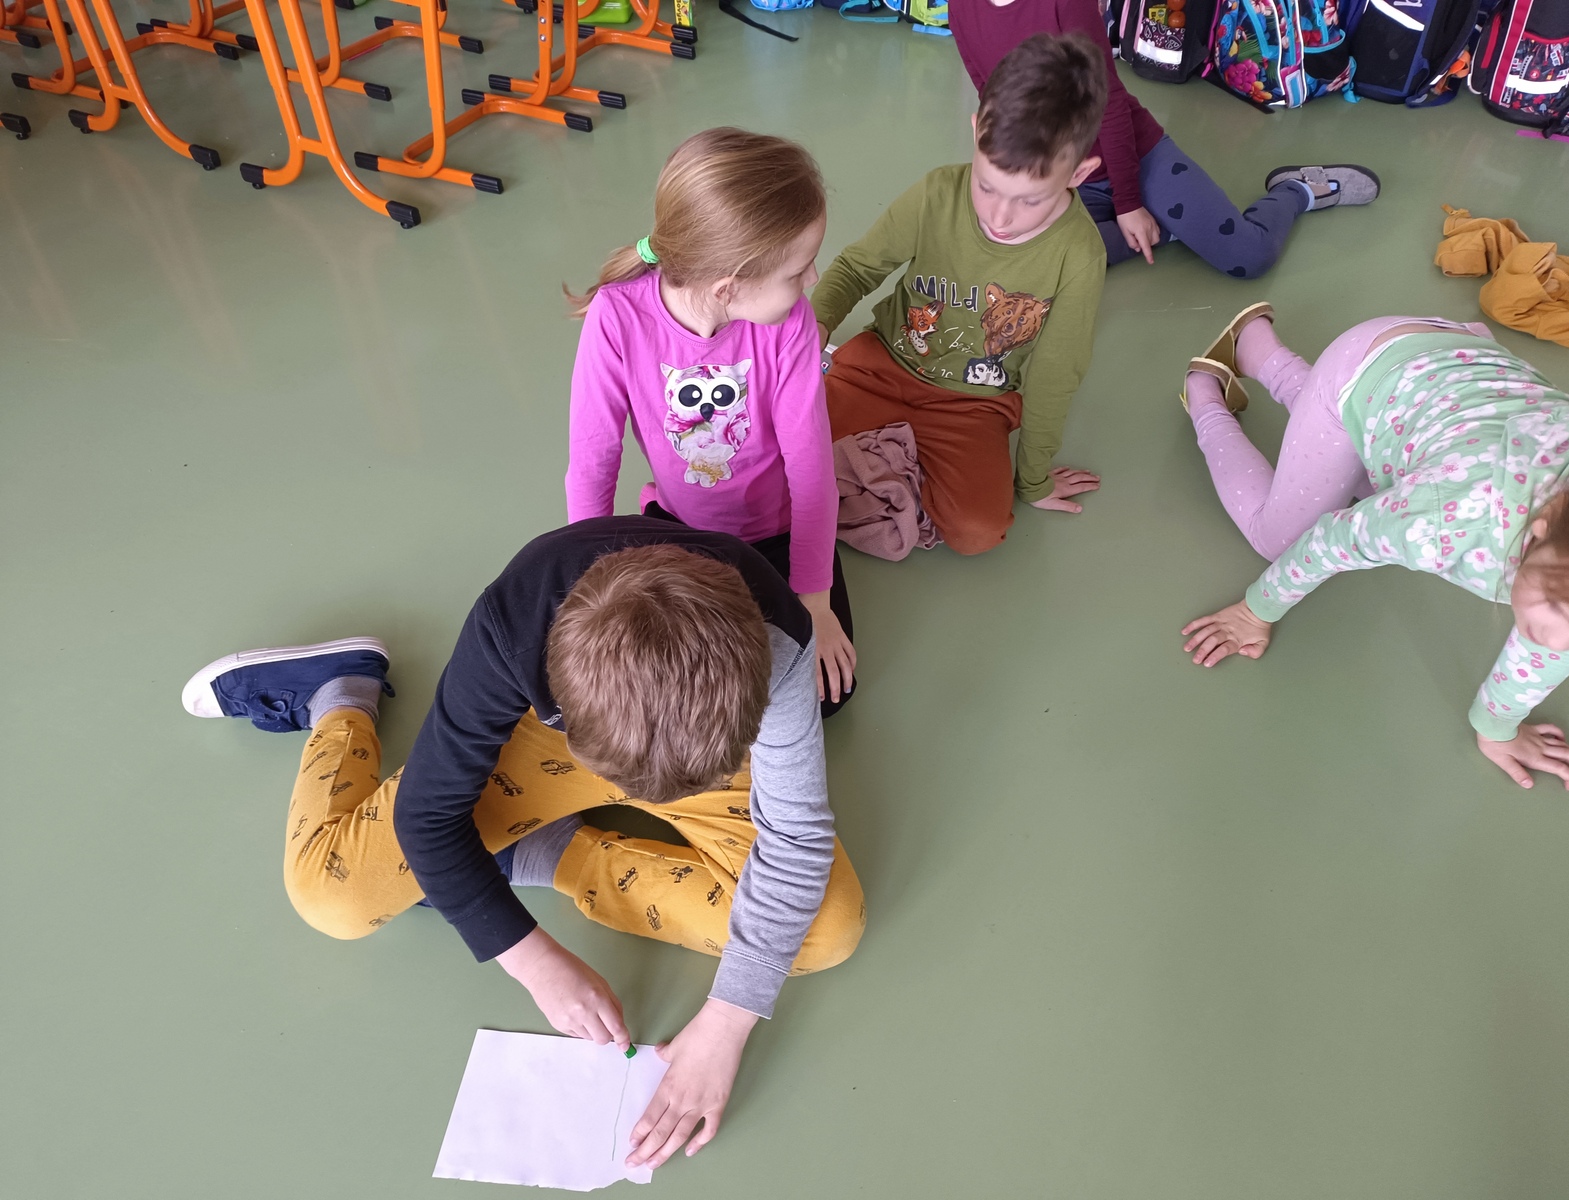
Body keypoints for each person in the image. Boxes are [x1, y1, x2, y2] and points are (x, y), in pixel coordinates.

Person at [180, 518, 866, 1167]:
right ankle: (337, 695)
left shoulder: (776, 643)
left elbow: (795, 835)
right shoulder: (512, 626)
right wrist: (531, 959)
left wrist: (726, 1023)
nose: (649, 805)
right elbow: (428, 816)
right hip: (559, 739)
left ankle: (535, 851)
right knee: (332, 897)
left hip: (694, 736)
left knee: (826, 931)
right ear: (559, 697)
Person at [1178, 306, 1569, 789]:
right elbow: (1331, 541)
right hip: (1367, 368)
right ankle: (1204, 393)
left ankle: (1254, 344)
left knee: (1357, 474)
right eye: (1557, 608)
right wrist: (1255, 612)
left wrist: (1496, 730)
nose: (1561, 643)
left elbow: (1562, 630)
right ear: (1541, 527)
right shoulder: (1443, 520)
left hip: (1455, 367)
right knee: (1279, 539)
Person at [566, 128, 856, 714]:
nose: (813, 280)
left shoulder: (791, 323)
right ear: (729, 287)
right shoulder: (616, 315)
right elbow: (594, 461)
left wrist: (816, 603)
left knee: (820, 696)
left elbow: (812, 473)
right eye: (799, 270)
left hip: (778, 535)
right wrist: (588, 582)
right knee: (660, 687)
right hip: (678, 532)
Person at [811, 32, 1109, 555]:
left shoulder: (1079, 255)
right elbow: (859, 267)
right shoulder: (936, 193)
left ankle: (881, 464)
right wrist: (813, 326)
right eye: (987, 185)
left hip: (974, 405)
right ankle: (884, 464)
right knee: (775, 458)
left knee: (978, 533)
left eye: (1030, 200)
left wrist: (1033, 479)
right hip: (879, 366)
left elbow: (1055, 376)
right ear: (975, 133)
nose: (1000, 217)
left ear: (1079, 174)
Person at [946, 0, 1381, 278]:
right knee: (1025, 258)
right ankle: (1169, 230)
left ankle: (1297, 190)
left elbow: (1109, 103)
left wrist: (1128, 202)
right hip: (1058, 178)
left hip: (1132, 156)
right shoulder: (961, 7)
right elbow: (990, 96)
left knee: (1249, 257)